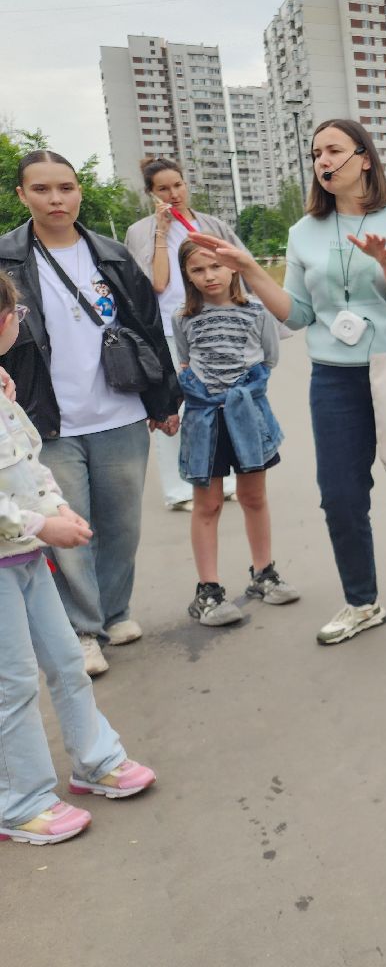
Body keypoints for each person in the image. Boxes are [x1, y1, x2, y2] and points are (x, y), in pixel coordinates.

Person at [198, 118, 386, 655]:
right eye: (316, 152)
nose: (323, 161)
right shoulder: (303, 232)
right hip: (334, 381)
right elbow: (296, 316)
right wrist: (249, 269)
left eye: (334, 150)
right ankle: (363, 601)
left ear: (364, 158)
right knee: (341, 499)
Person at [0, 151, 179, 677]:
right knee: (68, 528)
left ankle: (116, 612)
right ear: (22, 195)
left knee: (122, 526)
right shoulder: (7, 259)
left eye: (66, 187)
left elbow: (148, 329)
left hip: (119, 415)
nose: (57, 199)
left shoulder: (112, 255)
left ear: (79, 192)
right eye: (42, 189)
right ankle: (82, 630)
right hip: (46, 420)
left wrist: (163, 402)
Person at [0, 270, 156, 845]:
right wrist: (43, 523)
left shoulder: (3, 386)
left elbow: (28, 460)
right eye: (16, 314)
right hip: (8, 557)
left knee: (66, 659)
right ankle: (18, 801)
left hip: (25, 557)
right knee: (11, 683)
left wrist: (56, 509)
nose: (20, 322)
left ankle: (95, 759)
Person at [172, 239, 296, 627]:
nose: (209, 276)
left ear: (233, 268)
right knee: (207, 505)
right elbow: (185, 361)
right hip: (204, 421)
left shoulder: (257, 312)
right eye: (198, 270)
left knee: (253, 497)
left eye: (216, 267)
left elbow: (270, 358)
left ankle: (264, 573)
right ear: (187, 276)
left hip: (248, 417)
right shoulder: (182, 318)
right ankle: (208, 590)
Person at [124, 157, 242, 511]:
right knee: (173, 407)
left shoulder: (210, 225)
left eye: (178, 185)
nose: (173, 194)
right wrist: (161, 231)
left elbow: (237, 272)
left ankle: (226, 478)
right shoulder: (140, 231)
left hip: (213, 324)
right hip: (168, 329)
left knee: (219, 401)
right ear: (151, 194)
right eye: (163, 188)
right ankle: (180, 490)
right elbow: (156, 283)